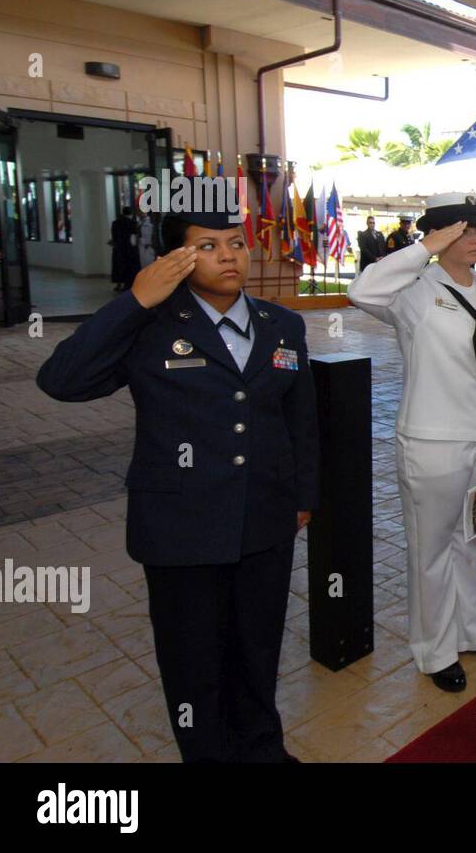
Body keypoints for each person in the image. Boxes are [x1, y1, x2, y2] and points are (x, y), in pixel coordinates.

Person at [36, 202, 318, 762]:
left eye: (236, 243)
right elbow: (61, 380)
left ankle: (263, 750)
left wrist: (303, 497)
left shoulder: (281, 325)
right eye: (207, 247)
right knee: (194, 659)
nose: (227, 257)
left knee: (258, 647)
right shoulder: (149, 325)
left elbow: (301, 421)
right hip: (181, 526)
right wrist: (136, 299)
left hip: (265, 518)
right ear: (176, 259)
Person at [347, 193, 476, 691]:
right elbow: (362, 290)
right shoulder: (413, 292)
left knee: (471, 541)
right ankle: (434, 648)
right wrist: (425, 248)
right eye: (461, 232)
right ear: (438, 236)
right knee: (432, 548)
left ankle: (470, 628)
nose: (474, 240)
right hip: (432, 439)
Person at [109, 206, 140, 292]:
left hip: (118, 248)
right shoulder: (133, 223)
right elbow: (134, 237)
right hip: (130, 249)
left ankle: (119, 284)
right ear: (131, 213)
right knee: (130, 267)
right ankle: (128, 284)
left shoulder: (115, 223)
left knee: (118, 266)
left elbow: (114, 236)